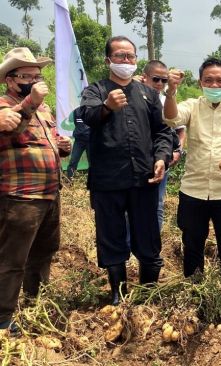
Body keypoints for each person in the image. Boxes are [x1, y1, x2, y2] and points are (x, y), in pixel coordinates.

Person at [79, 36, 173, 305]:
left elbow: (163, 132)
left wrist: (161, 157)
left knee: (148, 236)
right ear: (108, 60)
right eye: (120, 56)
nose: (126, 61)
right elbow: (87, 116)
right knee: (111, 235)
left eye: (131, 56)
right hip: (108, 180)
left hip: (144, 178)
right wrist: (107, 106)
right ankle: (117, 294)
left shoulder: (149, 94)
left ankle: (147, 294)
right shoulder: (96, 91)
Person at [164, 57, 221, 320]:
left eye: (219, 80)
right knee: (192, 246)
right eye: (209, 80)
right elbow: (171, 118)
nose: (214, 84)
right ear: (200, 82)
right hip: (193, 191)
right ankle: (196, 300)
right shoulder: (192, 107)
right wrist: (170, 91)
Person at [0, 47, 72, 333]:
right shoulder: (4, 105)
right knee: (12, 258)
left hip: (49, 193)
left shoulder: (43, 108)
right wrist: (31, 101)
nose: (33, 79)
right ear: (10, 79)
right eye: (26, 76)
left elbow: (48, 139)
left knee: (44, 251)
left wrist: (61, 146)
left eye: (37, 75)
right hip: (20, 196)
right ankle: (3, 318)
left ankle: (34, 303)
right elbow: (13, 129)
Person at [141, 60, 185, 230]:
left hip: (161, 162)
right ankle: (129, 247)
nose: (159, 84)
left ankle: (154, 245)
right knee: (132, 205)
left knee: (157, 204)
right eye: (156, 79)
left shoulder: (168, 101)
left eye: (164, 80)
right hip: (137, 162)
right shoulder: (133, 97)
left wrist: (178, 151)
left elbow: (180, 129)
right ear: (145, 78)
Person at [66, 107, 90, 179]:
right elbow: (76, 124)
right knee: (73, 161)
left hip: (91, 141)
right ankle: (70, 181)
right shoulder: (77, 111)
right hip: (79, 141)